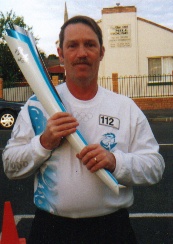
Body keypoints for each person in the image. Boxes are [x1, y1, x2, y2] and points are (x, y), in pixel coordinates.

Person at [3, 15, 165, 244]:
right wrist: (44, 142)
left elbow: (155, 167)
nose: (82, 53)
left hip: (112, 230)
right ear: (61, 53)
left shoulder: (124, 107)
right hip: (51, 230)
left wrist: (115, 162)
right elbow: (10, 166)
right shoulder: (36, 106)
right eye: (72, 45)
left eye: (90, 44)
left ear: (101, 52)